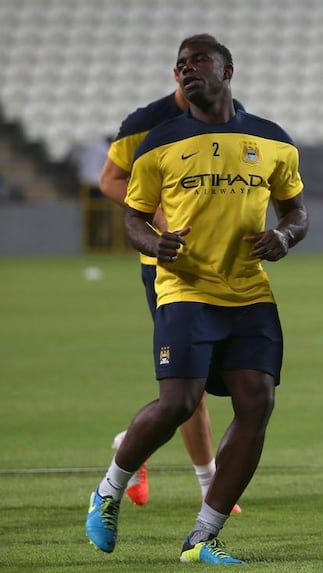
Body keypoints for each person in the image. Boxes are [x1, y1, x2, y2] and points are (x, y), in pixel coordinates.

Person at [85, 33, 309, 564]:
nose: (188, 69)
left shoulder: (272, 139)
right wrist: (152, 243)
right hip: (185, 289)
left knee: (258, 403)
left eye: (199, 61)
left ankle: (203, 537)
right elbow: (133, 216)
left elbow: (297, 212)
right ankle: (107, 492)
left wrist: (284, 237)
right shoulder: (158, 142)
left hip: (251, 292)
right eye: (181, 64)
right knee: (179, 402)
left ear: (227, 72)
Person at [99, 61, 247, 512]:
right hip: (166, 264)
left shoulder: (232, 115)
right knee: (191, 383)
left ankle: (134, 442)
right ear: (175, 74)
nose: (193, 76)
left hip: (223, 265)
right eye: (186, 68)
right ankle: (209, 483)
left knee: (218, 380)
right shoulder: (144, 124)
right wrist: (157, 214)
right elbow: (110, 180)